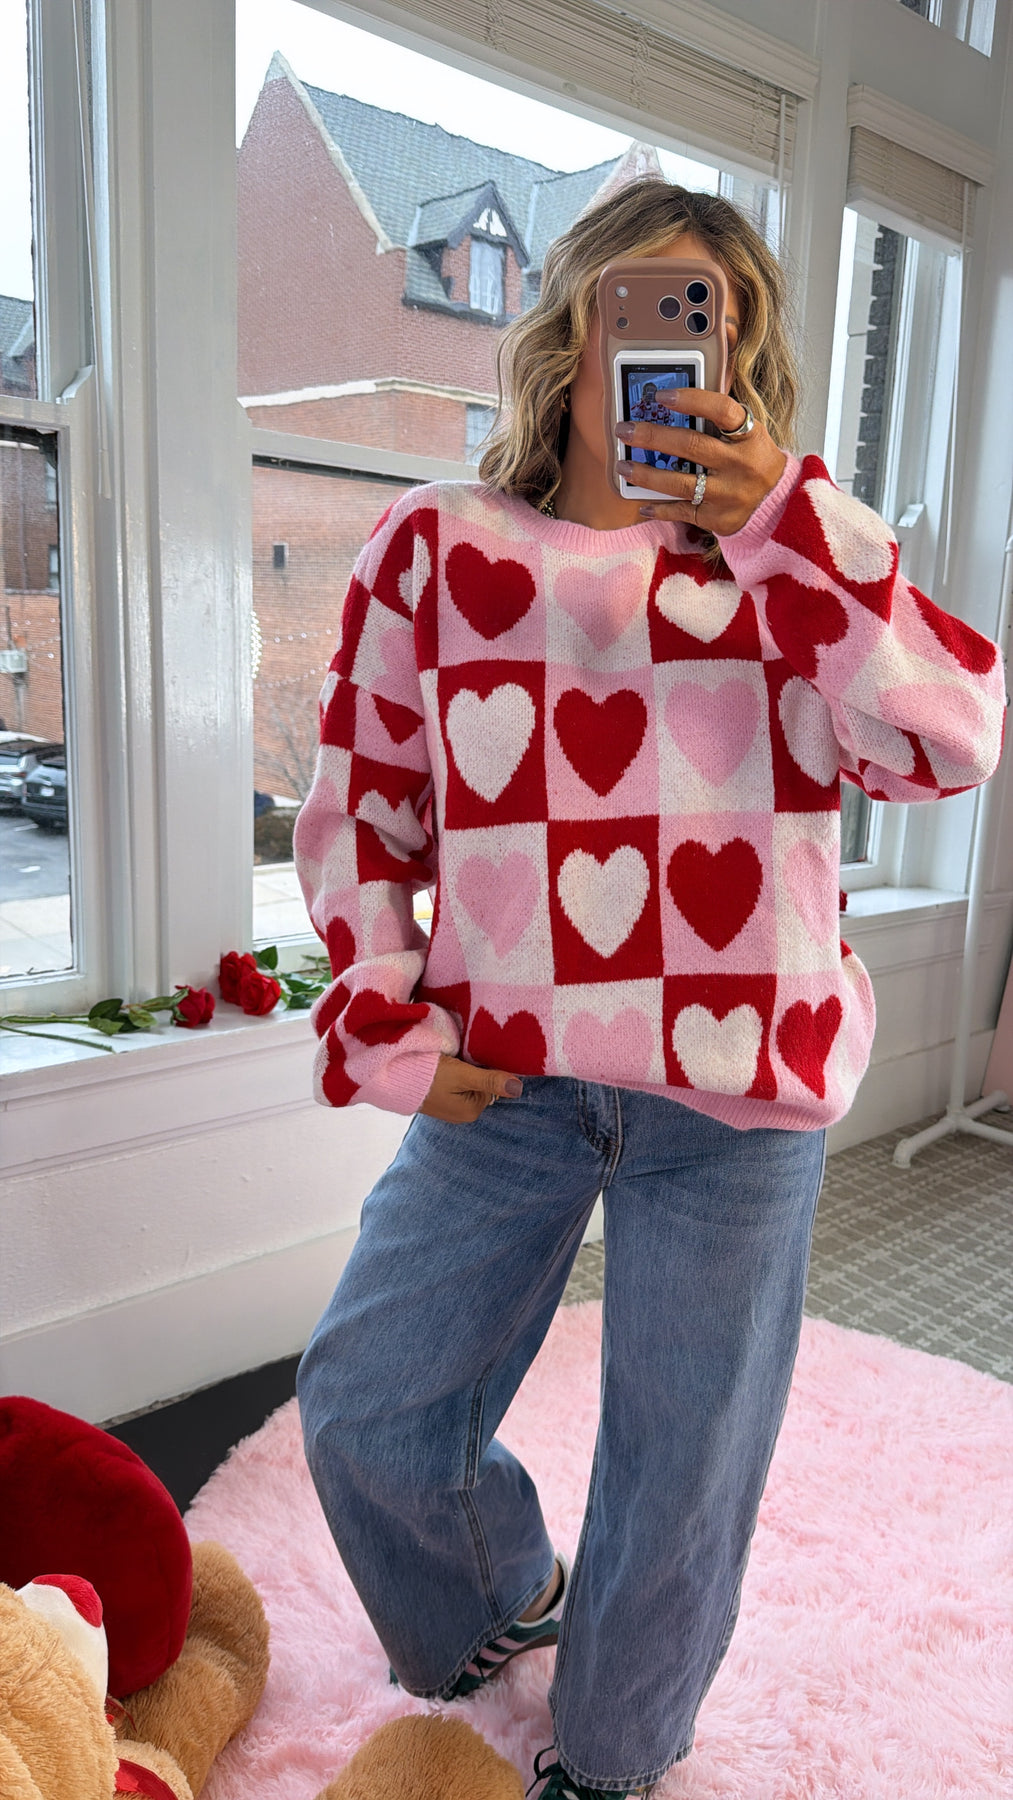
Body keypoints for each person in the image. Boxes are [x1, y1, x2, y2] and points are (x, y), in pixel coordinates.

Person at [292, 180, 1004, 1799]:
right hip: (507, 1077)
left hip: (738, 1092)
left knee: (680, 1477)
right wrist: (384, 1015)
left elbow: (954, 740)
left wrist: (786, 527)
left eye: (708, 329)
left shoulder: (796, 563)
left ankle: (610, 1761)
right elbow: (362, 802)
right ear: (573, 330)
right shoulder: (438, 548)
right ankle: (494, 1601)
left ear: (740, 362)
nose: (669, 359)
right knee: (366, 1403)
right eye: (642, 314)